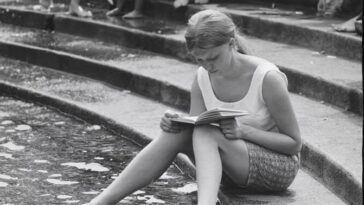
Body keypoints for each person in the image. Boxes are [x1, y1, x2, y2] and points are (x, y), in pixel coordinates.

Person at [87, 9, 302, 205]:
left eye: (214, 58)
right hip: (229, 165)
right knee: (179, 133)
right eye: (200, 60)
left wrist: (243, 131)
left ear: (231, 43)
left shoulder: (267, 77)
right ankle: (101, 202)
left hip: (277, 168)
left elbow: (294, 144)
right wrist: (176, 123)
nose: (208, 66)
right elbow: (197, 129)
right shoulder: (202, 77)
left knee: (206, 132)